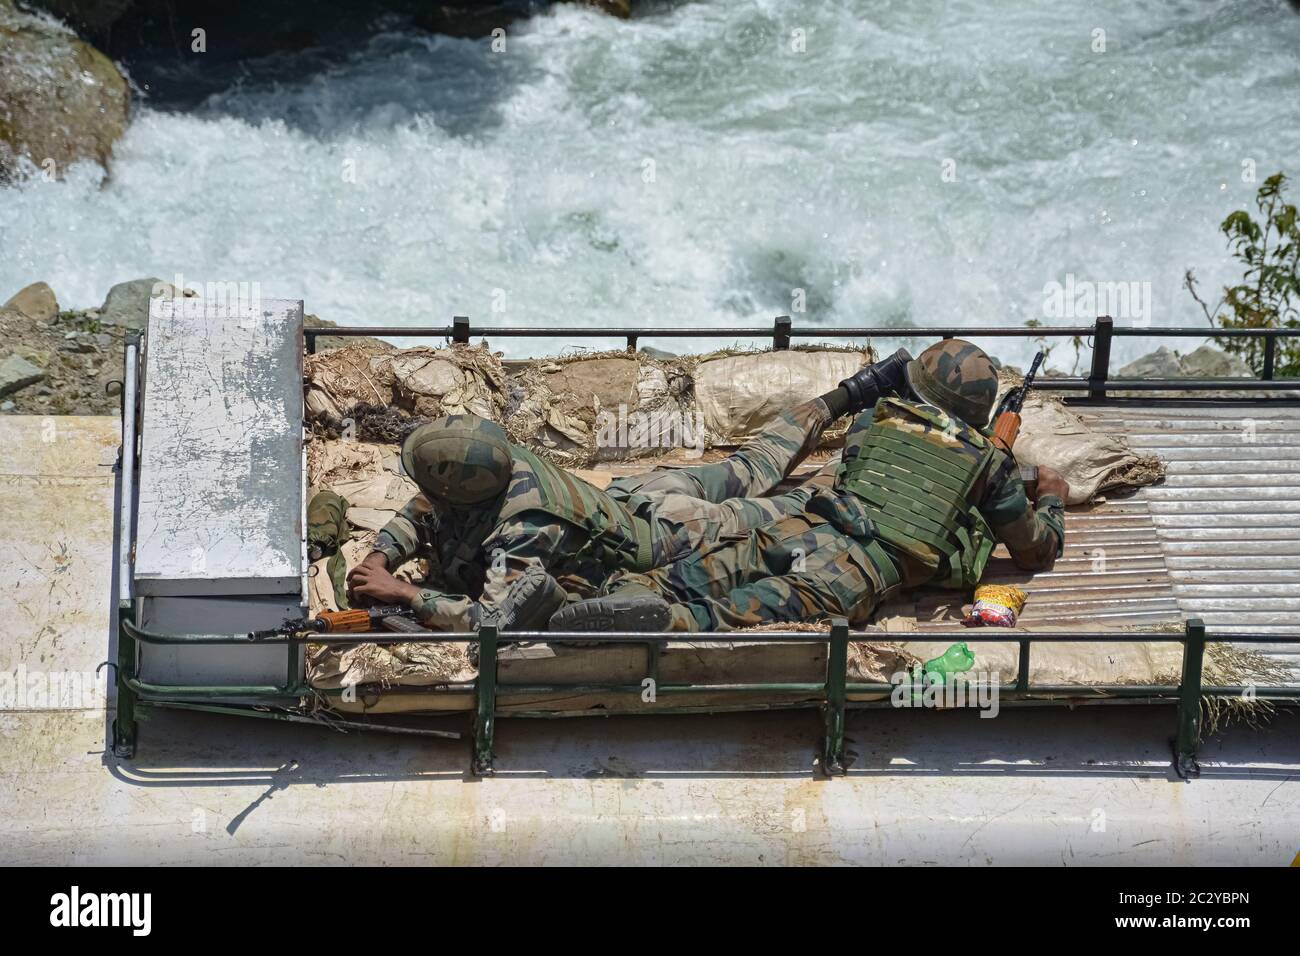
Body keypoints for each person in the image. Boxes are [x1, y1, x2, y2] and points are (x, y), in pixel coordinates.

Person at [345, 349, 914, 630]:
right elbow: (425, 510)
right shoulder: (491, 457)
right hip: (637, 495)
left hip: (673, 533)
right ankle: (858, 391)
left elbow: (493, 622)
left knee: (796, 504)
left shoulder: (524, 531)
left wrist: (405, 594)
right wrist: (381, 554)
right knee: (753, 461)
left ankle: (887, 449)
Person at [550, 339, 1070, 633]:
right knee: (721, 615)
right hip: (853, 572)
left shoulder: (876, 420)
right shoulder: (988, 464)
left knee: (684, 579)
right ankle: (649, 627)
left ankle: (579, 599)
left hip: (801, 530)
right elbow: (1032, 550)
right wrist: (1050, 497)